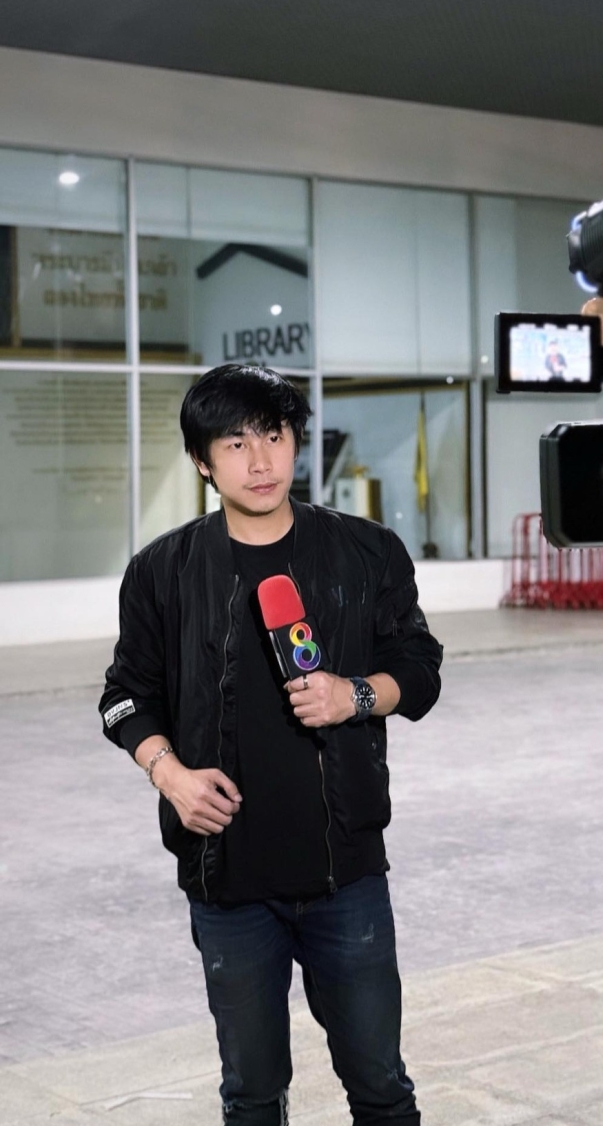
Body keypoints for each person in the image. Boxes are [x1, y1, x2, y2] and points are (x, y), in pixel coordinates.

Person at [99, 364, 443, 1126]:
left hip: (345, 873)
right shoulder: (161, 572)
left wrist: (354, 695)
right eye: (235, 444)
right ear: (202, 461)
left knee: (381, 1086)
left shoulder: (366, 551)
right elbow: (124, 697)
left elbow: (420, 671)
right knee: (251, 1095)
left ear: (296, 442)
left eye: (275, 436)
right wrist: (170, 774)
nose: (260, 461)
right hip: (227, 879)